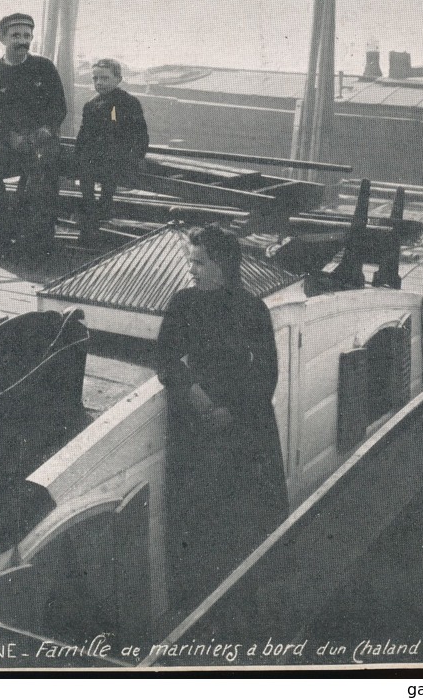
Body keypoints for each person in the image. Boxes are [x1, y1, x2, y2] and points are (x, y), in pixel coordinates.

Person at [155, 225, 289, 611]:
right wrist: (198, 399)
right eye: (189, 261)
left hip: (242, 428)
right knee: (197, 517)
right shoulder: (182, 304)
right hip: (196, 426)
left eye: (198, 262)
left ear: (221, 264)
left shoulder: (251, 309)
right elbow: (165, 359)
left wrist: (231, 411)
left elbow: (267, 374)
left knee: (239, 517)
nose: (191, 270)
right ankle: (197, 602)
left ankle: (241, 600)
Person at [0, 13, 66, 259]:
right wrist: (13, 139)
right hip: (3, 140)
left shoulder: (44, 68)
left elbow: (58, 109)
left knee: (45, 168)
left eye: (27, 36)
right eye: (16, 36)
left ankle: (35, 241)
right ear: (2, 39)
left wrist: (42, 134)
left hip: (39, 139)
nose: (22, 41)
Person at [73, 59, 149, 242]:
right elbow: (84, 134)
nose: (99, 82)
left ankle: (103, 209)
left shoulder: (128, 103)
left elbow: (140, 134)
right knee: (86, 178)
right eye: (95, 78)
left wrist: (136, 156)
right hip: (94, 157)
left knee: (108, 177)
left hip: (118, 156)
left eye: (105, 78)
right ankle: (89, 212)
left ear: (118, 79)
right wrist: (78, 155)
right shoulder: (91, 105)